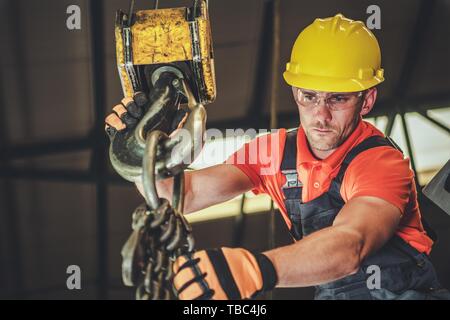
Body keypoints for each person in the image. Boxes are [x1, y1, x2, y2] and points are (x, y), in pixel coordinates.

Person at [105, 14, 450, 300]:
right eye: (309, 96)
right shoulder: (272, 153)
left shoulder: (378, 163)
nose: (321, 115)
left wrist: (257, 269)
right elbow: (180, 196)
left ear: (368, 101)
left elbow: (351, 245)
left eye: (338, 99)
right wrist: (138, 151)